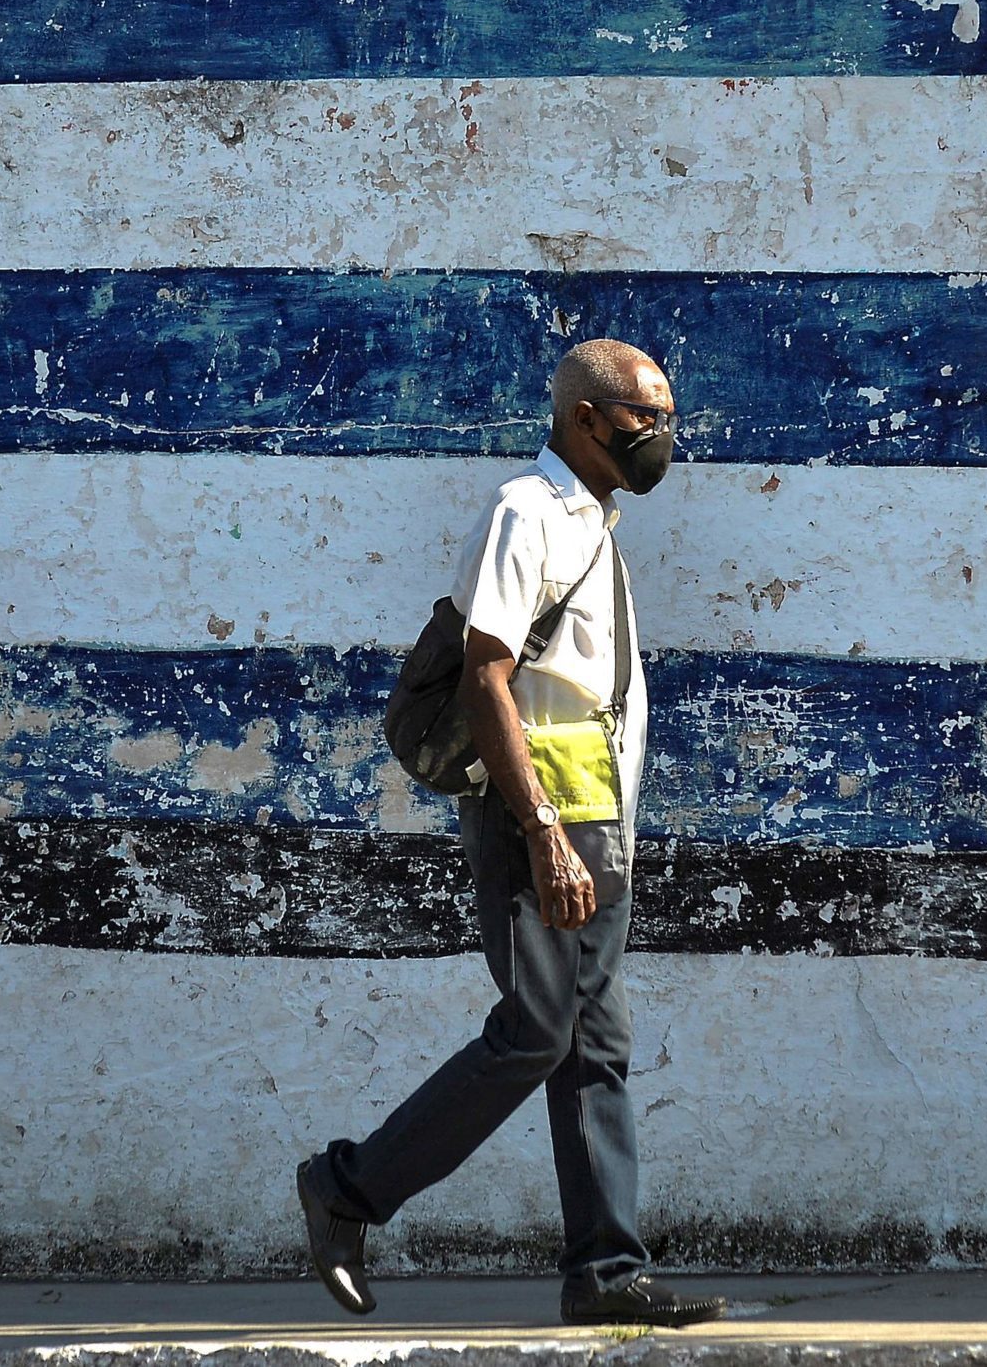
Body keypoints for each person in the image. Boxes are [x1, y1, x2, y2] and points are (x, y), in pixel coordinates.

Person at [298, 339, 721, 1328]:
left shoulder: (590, 518)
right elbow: (486, 672)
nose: (662, 434)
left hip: (595, 808)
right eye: (645, 417)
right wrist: (540, 830)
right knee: (537, 1029)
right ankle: (345, 1188)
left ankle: (606, 1274)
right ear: (586, 419)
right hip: (538, 814)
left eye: (665, 415)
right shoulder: (521, 512)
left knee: (593, 1045)